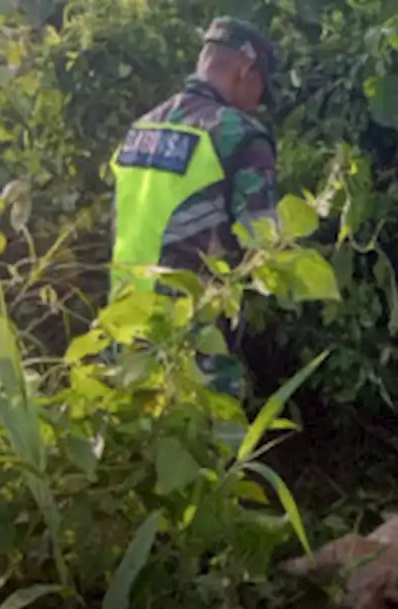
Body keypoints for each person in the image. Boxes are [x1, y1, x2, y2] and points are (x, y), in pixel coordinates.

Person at [106, 16, 282, 399]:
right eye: (259, 88)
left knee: (130, 450)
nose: (258, 104)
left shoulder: (141, 129)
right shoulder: (239, 136)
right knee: (208, 453)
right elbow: (264, 245)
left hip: (122, 329)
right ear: (244, 69)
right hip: (192, 350)